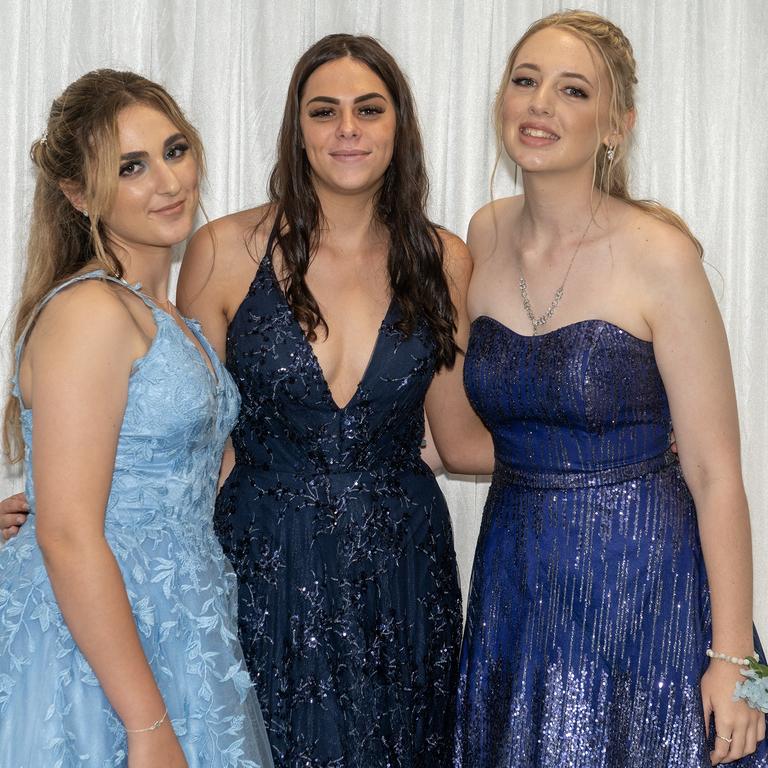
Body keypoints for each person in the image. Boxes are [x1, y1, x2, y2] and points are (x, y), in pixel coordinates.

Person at [453, 10, 767, 767]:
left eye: (571, 91)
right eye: (525, 82)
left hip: (647, 593)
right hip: (516, 590)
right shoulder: (483, 233)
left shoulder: (661, 255)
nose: (539, 105)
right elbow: (463, 435)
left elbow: (716, 472)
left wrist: (738, 666)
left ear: (615, 124)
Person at [176, 34, 490, 767]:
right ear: (298, 129)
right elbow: (189, 437)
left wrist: (609, 451)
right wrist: (73, 502)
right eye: (325, 111)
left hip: (403, 571)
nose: (347, 128)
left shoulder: (444, 259)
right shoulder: (222, 250)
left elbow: (457, 439)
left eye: (368, 109)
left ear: (398, 126)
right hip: (263, 564)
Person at [0, 70, 273, 768]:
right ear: (79, 193)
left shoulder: (165, 317)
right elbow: (67, 535)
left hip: (178, 621)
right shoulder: (90, 312)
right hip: (97, 638)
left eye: (174, 150)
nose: (168, 181)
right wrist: (148, 729)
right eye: (131, 166)